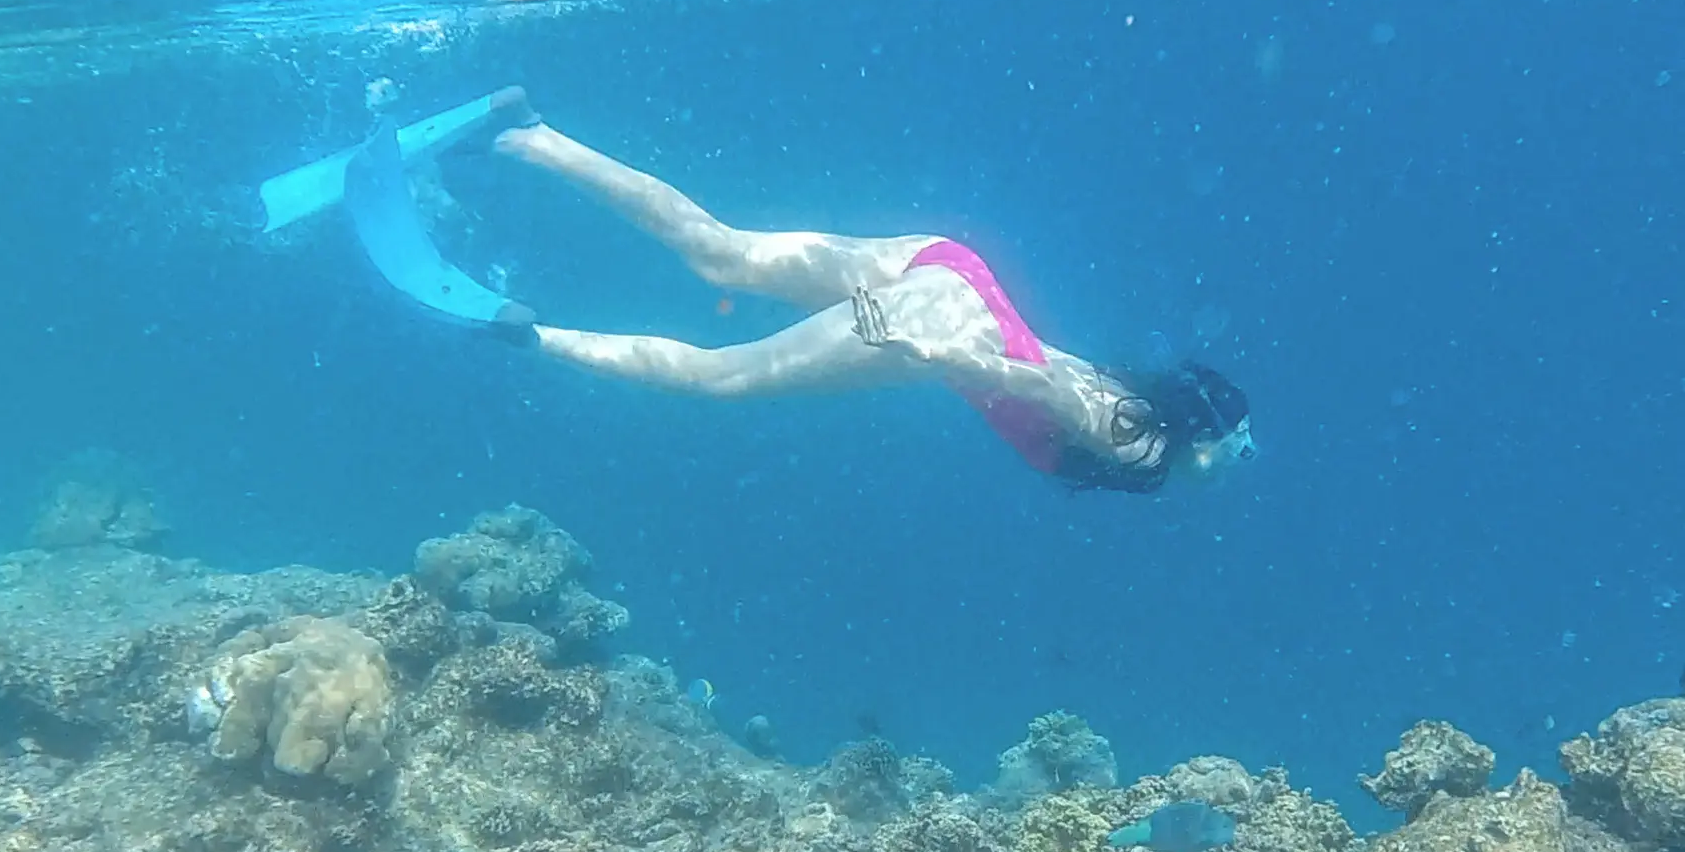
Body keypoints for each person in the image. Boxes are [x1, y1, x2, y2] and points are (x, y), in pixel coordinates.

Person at [479, 99, 1256, 494]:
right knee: (719, 379)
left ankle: (533, 135)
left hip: (953, 270)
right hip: (944, 327)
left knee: (723, 252)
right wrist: (939, 353)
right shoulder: (1140, 446)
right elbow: (1037, 380)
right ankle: (532, 335)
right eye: (1234, 452)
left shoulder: (1131, 400)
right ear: (1206, 436)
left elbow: (1050, 375)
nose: (1228, 467)